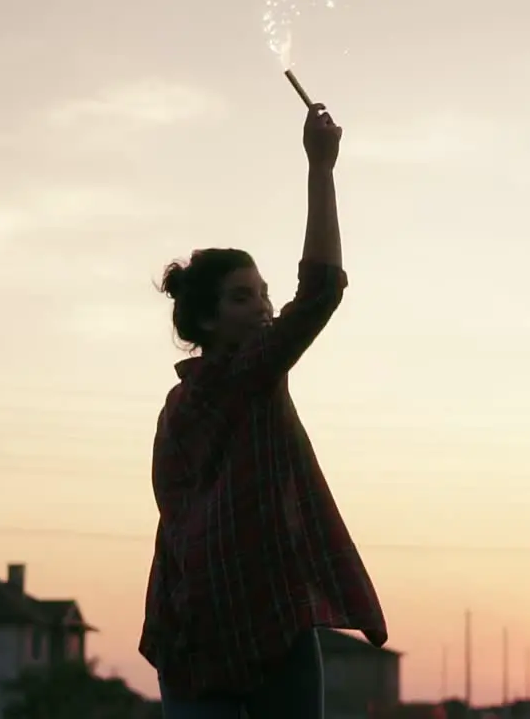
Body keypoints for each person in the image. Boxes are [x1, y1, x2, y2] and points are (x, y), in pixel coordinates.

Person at [140, 103, 388, 719]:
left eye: (263, 293)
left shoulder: (179, 404)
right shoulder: (249, 375)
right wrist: (321, 166)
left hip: (189, 621)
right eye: (243, 298)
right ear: (206, 320)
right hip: (238, 621)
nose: (264, 308)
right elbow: (323, 288)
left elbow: (177, 523)